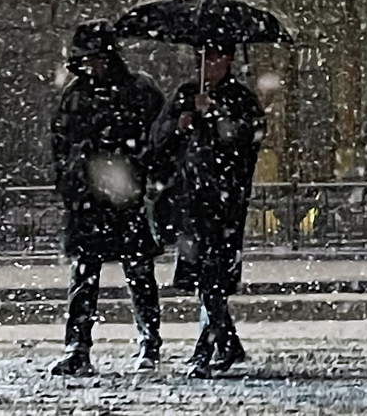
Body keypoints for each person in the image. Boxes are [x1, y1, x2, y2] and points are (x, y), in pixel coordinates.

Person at [49, 20, 166, 377]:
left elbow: (157, 139)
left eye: (96, 58)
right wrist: (73, 178)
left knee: (138, 272)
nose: (91, 66)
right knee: (87, 274)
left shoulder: (137, 90)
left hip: (124, 196)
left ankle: (149, 342)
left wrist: (137, 168)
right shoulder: (78, 93)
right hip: (92, 198)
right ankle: (78, 347)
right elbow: (60, 142)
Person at [153, 42, 265, 378]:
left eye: (212, 57)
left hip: (224, 204)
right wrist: (180, 125)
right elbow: (159, 140)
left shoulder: (240, 98)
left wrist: (214, 115)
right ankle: (225, 342)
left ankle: (207, 350)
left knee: (213, 278)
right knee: (203, 278)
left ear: (227, 60)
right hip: (192, 202)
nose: (204, 65)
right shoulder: (187, 92)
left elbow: (247, 141)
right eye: (200, 58)